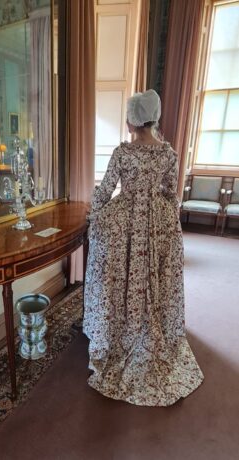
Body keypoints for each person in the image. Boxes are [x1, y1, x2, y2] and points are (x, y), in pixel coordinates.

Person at [83, 89, 204, 407]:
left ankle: (121, 330)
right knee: (154, 279)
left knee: (120, 274)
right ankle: (153, 330)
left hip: (125, 223)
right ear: (154, 117)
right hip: (158, 222)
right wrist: (163, 218)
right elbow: (170, 195)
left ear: (131, 122)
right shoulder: (169, 153)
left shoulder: (122, 153)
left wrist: (95, 215)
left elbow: (105, 190)